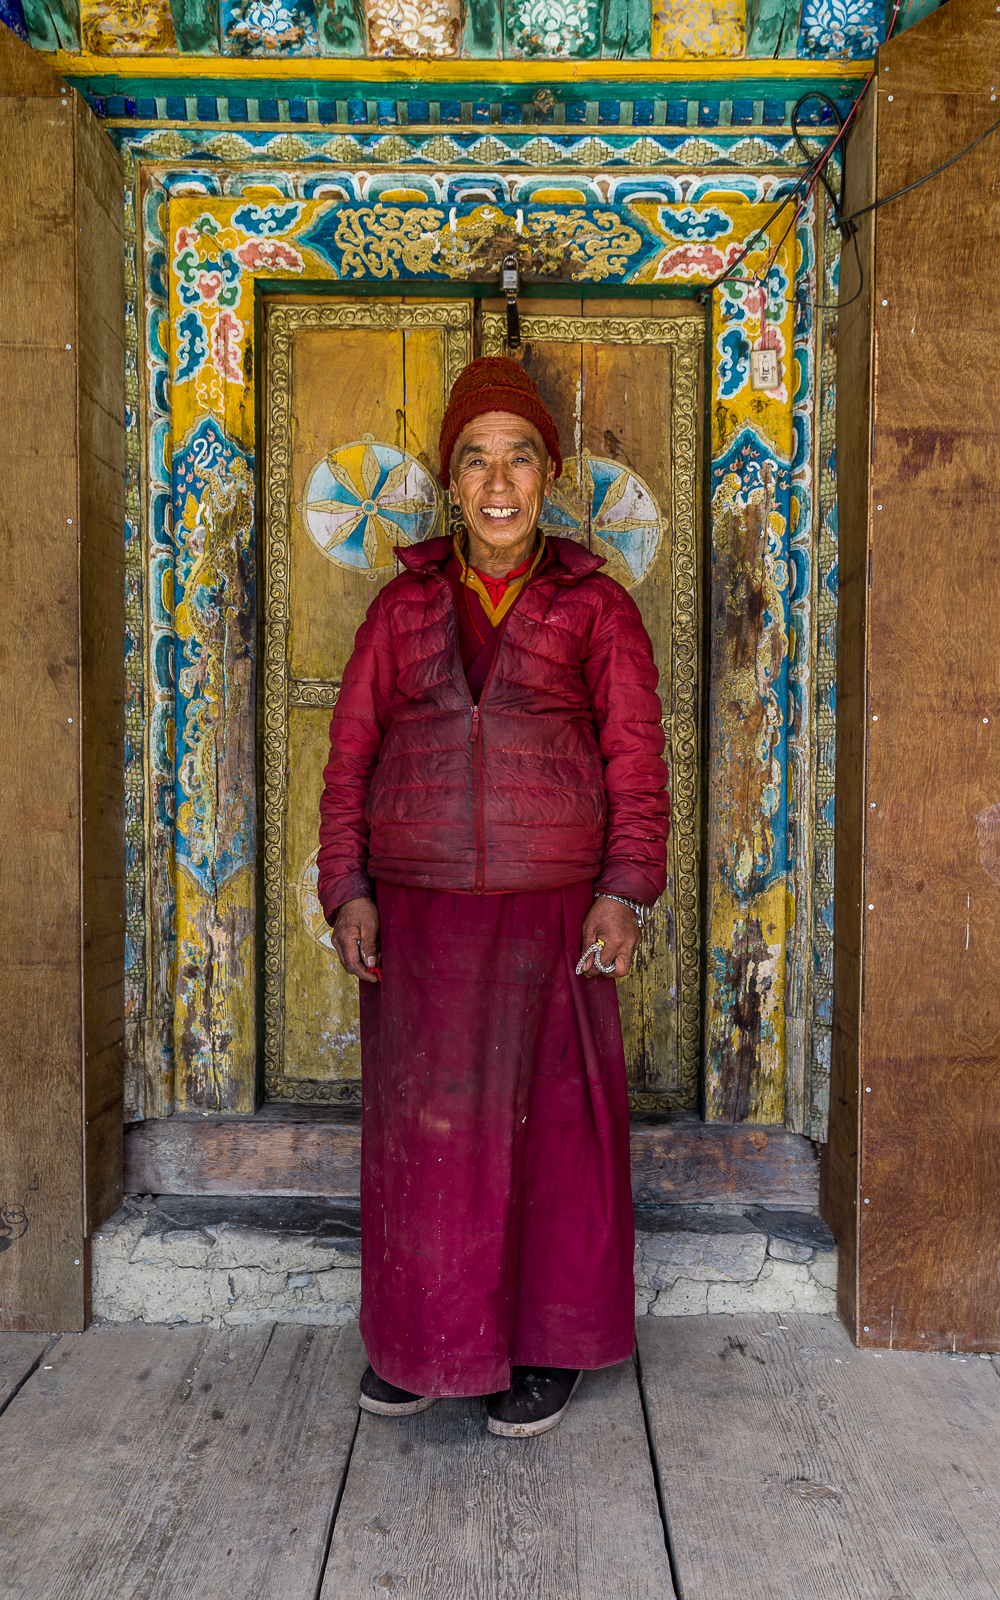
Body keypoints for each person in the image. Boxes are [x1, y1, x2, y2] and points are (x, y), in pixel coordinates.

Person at [317, 356, 669, 1437]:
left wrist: (625, 891)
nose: (499, 482)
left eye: (519, 457)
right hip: (421, 913)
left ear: (549, 474)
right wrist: (347, 889)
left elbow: (635, 762)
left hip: (554, 911)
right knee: (430, 1139)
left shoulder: (595, 607)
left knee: (554, 1135)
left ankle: (547, 1347)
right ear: (449, 480)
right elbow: (349, 758)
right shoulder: (401, 607)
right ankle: (427, 1344)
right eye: (475, 460)